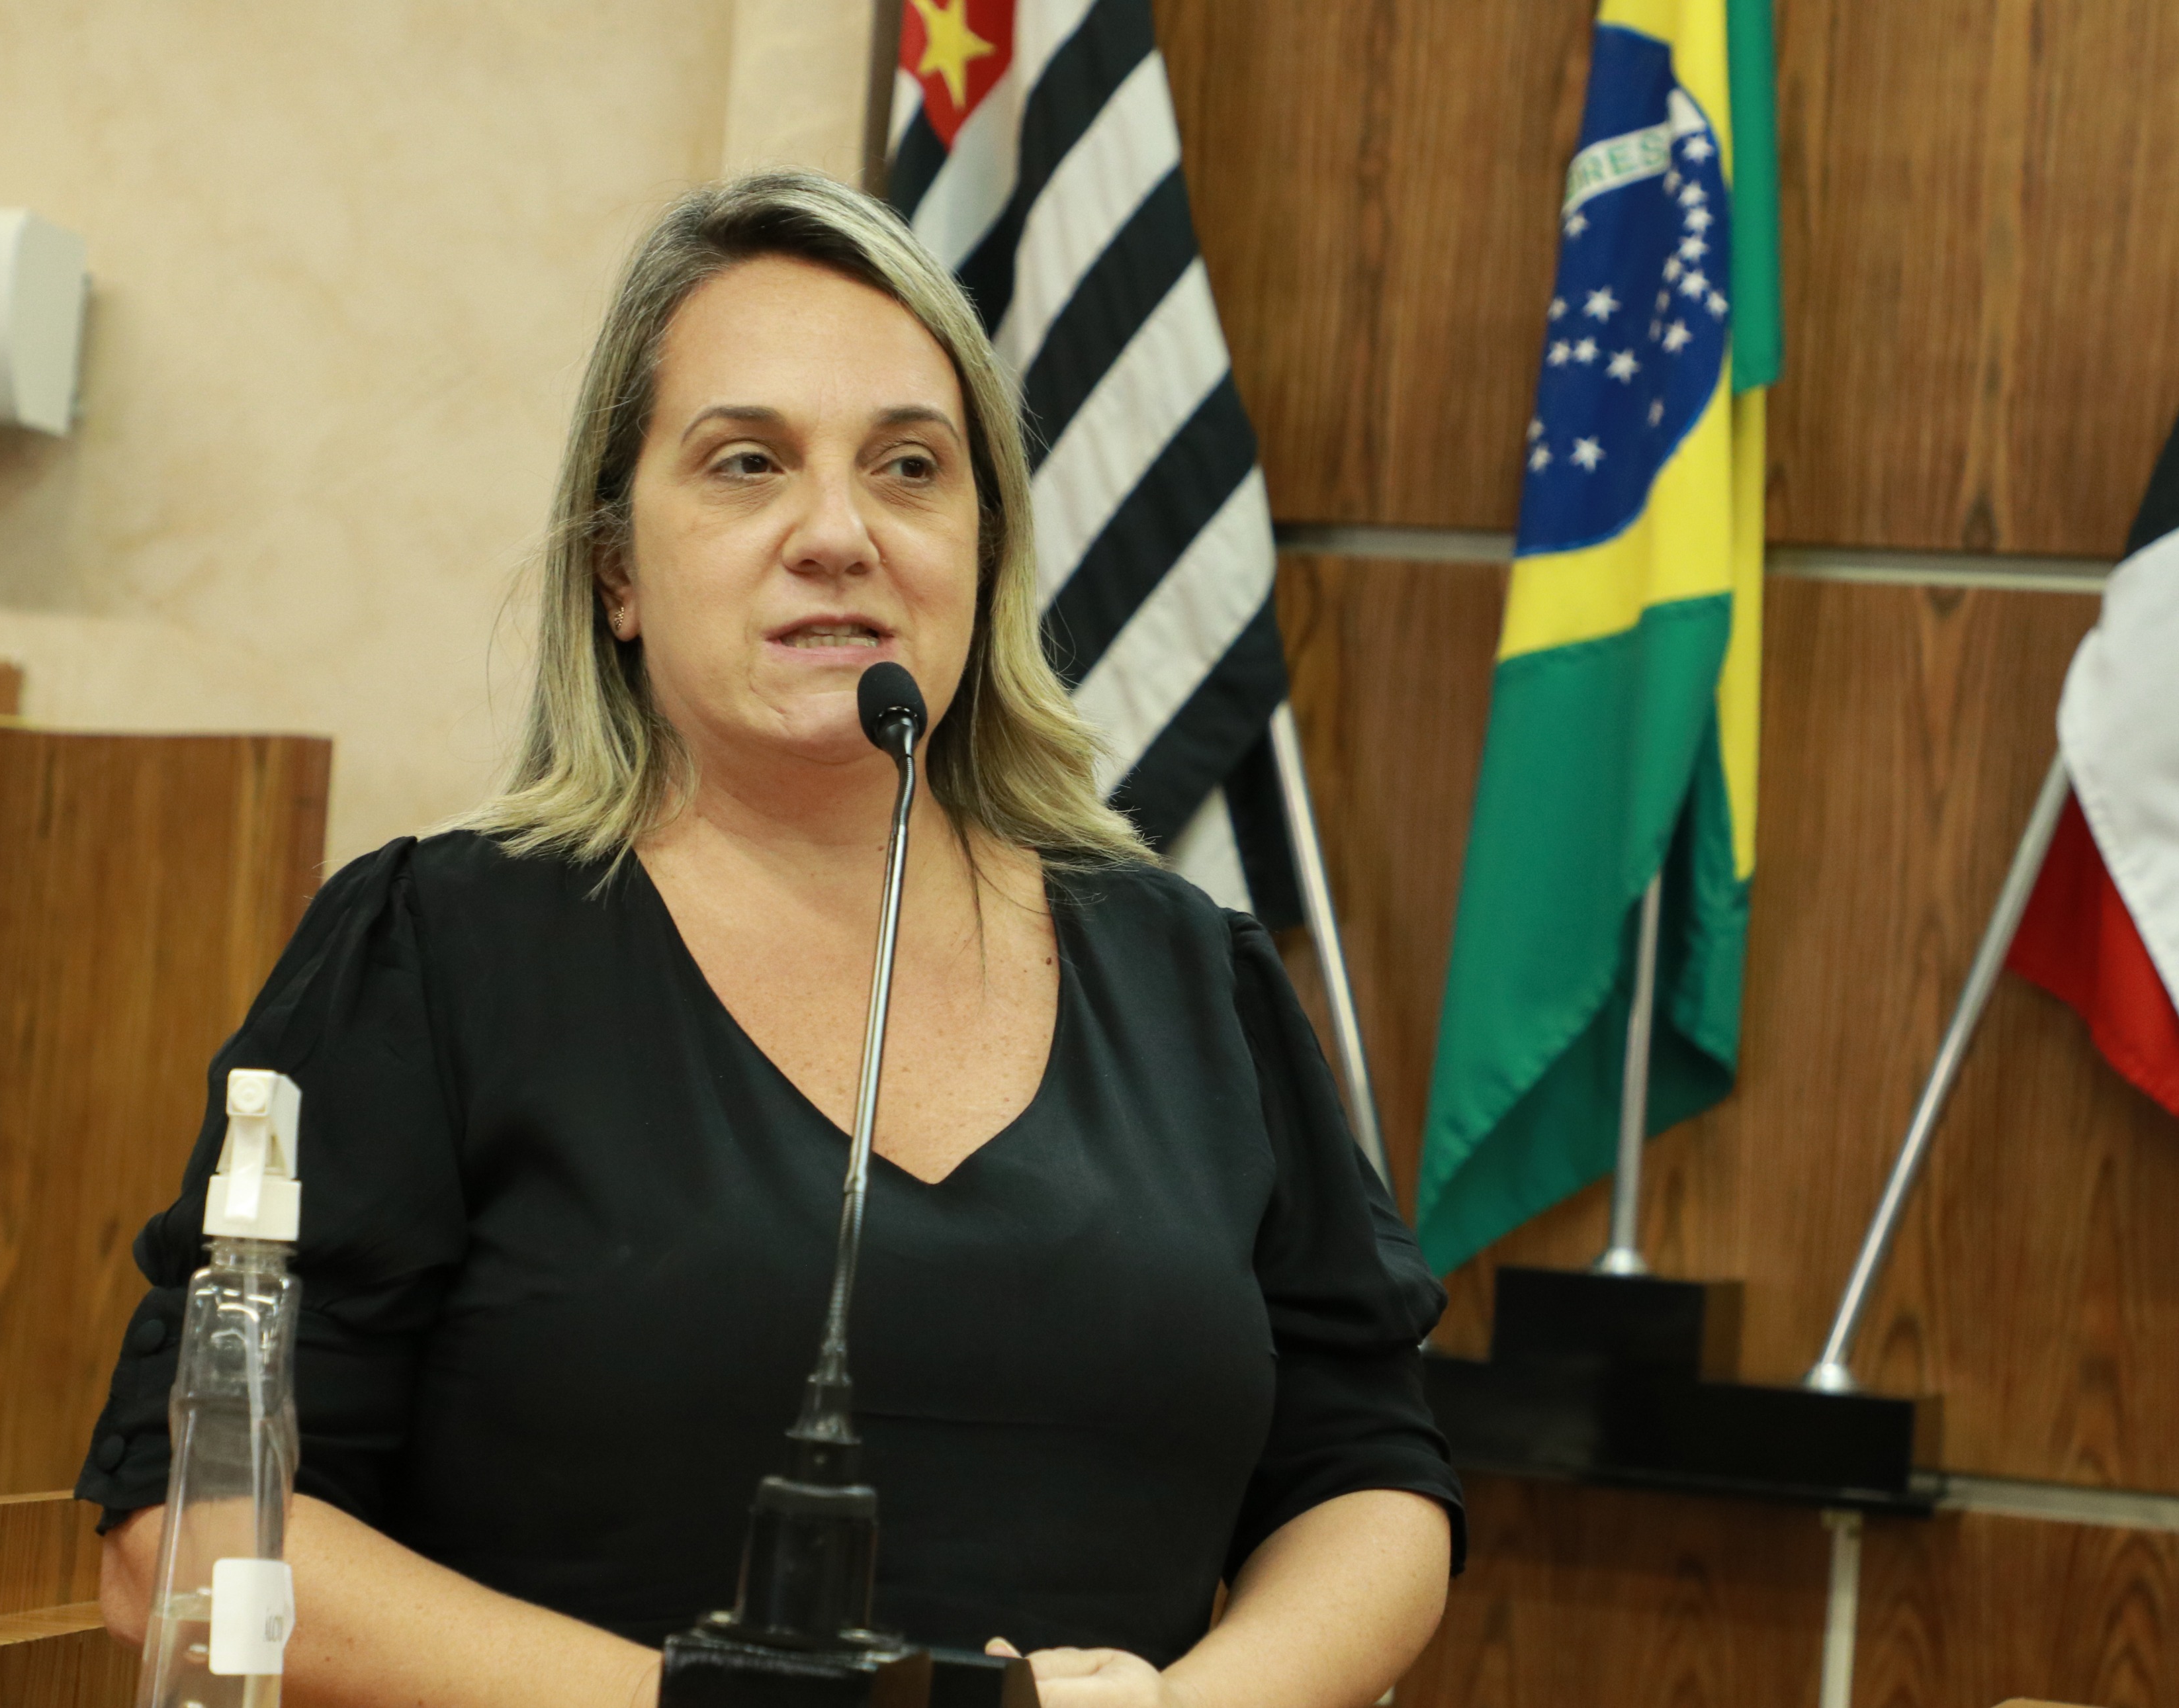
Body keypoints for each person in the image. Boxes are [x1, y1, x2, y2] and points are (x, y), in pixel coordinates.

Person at [80, 168, 1462, 1708]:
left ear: (984, 549)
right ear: (617, 570)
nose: (837, 533)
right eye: (746, 463)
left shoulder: (1192, 979)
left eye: (909, 468)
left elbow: (1370, 1474)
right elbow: (189, 1538)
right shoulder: (438, 955)